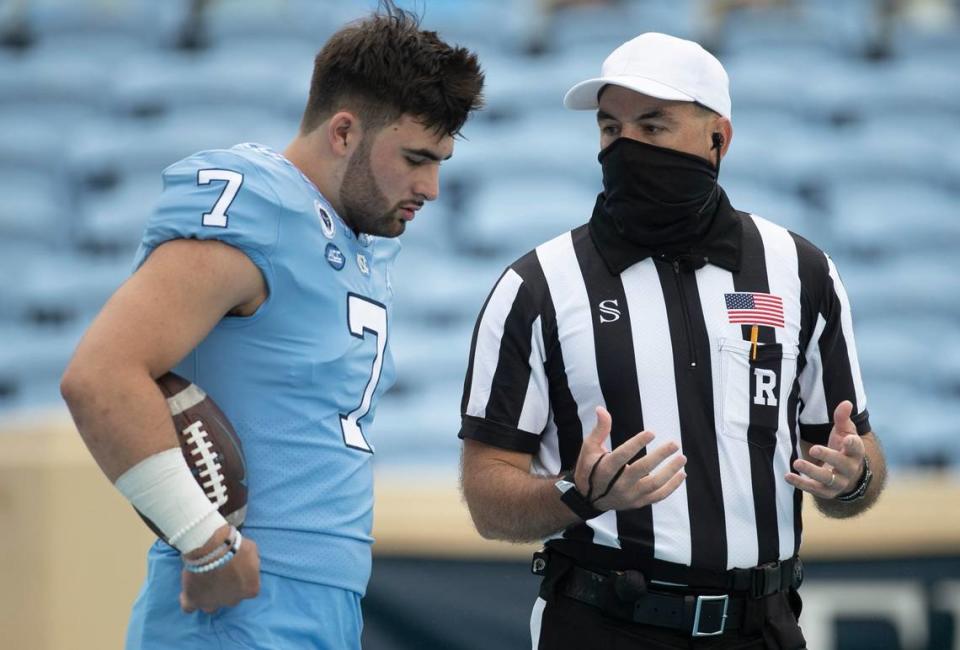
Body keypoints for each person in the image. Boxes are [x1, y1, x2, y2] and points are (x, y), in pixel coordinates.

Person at [60, 4, 483, 648]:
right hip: (237, 605)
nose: (430, 186)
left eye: (441, 162)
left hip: (324, 603)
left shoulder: (360, 234)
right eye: (417, 158)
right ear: (343, 132)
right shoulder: (257, 204)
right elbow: (99, 375)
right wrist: (205, 543)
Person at [458, 32, 884, 650]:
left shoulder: (800, 270)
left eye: (653, 128)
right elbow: (487, 497)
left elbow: (856, 457)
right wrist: (576, 496)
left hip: (763, 626)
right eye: (611, 130)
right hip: (601, 627)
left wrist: (856, 477)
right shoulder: (537, 286)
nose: (627, 148)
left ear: (719, 140)